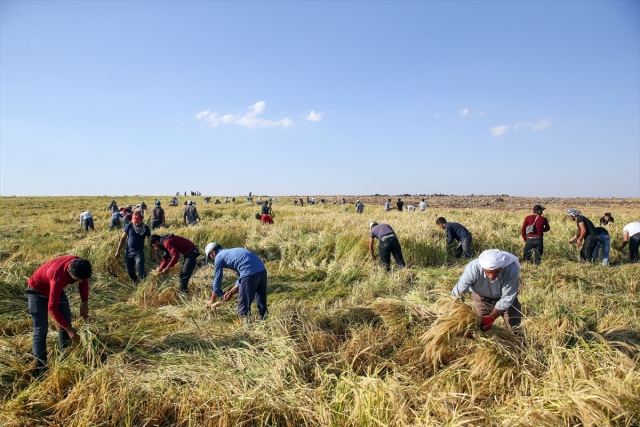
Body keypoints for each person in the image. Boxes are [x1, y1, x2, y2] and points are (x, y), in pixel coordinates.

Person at [26, 256, 92, 376]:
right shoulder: (58, 276)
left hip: (55, 288)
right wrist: (69, 329)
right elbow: (52, 308)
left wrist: (84, 303)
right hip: (37, 292)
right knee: (41, 329)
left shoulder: (81, 265)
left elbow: (83, 282)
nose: (80, 281)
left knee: (66, 320)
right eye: (78, 279)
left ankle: (63, 360)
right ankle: (41, 369)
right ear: (69, 272)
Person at [451, 249, 521, 331]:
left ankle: (516, 338)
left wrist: (492, 317)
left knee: (514, 328)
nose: (492, 276)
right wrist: (458, 316)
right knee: (480, 328)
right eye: (488, 272)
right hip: (481, 299)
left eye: (496, 272)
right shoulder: (473, 269)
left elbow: (507, 298)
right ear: (483, 268)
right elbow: (457, 293)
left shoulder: (510, 270)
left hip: (507, 300)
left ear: (501, 267)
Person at [205, 243, 268, 319]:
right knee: (261, 301)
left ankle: (245, 325)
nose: (212, 261)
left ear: (213, 253)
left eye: (210, 258)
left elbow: (217, 278)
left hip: (249, 273)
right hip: (262, 271)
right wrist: (231, 292)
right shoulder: (231, 252)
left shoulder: (219, 257)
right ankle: (265, 321)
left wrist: (212, 300)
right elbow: (242, 276)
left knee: (243, 307)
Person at [115, 211, 152, 284]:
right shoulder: (129, 226)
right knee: (129, 270)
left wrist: (153, 253)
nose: (136, 223)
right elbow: (123, 238)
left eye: (138, 221)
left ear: (141, 219)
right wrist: (118, 251)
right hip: (129, 252)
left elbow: (150, 240)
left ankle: (144, 284)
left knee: (140, 269)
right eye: (135, 222)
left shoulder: (146, 228)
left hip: (139, 252)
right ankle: (136, 282)